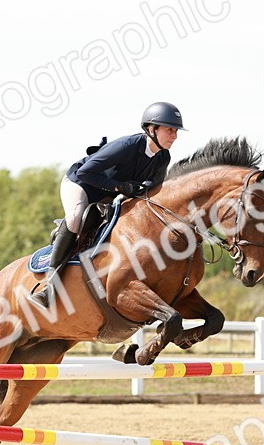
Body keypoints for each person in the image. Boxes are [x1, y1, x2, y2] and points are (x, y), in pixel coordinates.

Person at [32, 101, 186, 308]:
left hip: (108, 196)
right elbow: (84, 172)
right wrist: (119, 187)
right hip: (81, 185)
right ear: (151, 129)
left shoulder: (162, 157)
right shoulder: (127, 146)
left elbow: (153, 189)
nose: (174, 136)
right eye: (169, 130)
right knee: (76, 218)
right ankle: (49, 285)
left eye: (175, 131)